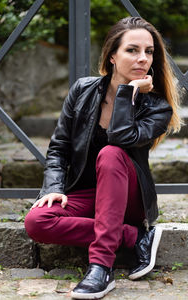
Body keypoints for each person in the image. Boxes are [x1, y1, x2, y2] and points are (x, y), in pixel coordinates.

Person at [24, 16, 181, 299]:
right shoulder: (82, 91)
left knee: (111, 154)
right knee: (37, 222)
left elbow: (120, 139)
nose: (143, 59)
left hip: (129, 199)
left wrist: (126, 92)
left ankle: (100, 266)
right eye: (132, 50)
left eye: (149, 52)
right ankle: (134, 238)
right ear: (112, 56)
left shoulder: (157, 107)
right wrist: (54, 188)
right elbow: (59, 146)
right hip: (88, 195)